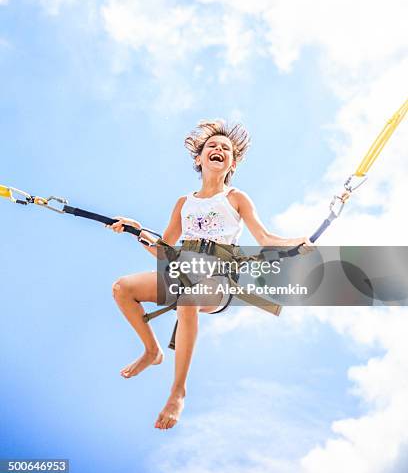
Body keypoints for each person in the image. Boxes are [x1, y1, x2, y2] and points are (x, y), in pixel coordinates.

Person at [107, 120, 313, 430]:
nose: (218, 150)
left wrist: (296, 241)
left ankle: (178, 392)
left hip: (218, 280)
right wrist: (135, 229)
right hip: (182, 271)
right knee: (123, 288)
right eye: (211, 147)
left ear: (232, 162)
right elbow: (165, 251)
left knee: (188, 299)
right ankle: (152, 351)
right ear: (199, 159)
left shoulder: (236, 198)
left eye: (225, 149)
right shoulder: (183, 203)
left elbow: (266, 238)